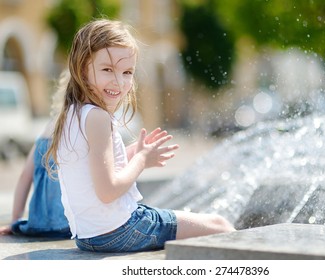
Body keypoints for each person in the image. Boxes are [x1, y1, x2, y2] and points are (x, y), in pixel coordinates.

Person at [45, 19, 235, 253]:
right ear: (83, 67)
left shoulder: (72, 114)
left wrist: (131, 152)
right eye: (107, 69)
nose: (119, 81)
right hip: (120, 231)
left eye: (127, 72)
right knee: (220, 224)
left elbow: (93, 171)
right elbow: (107, 192)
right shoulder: (98, 118)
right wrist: (141, 161)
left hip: (88, 236)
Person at [0, 72, 71, 238]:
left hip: (40, 222)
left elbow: (25, 177)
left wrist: (15, 220)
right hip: (68, 222)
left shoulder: (48, 128)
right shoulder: (83, 124)